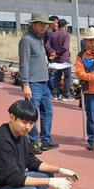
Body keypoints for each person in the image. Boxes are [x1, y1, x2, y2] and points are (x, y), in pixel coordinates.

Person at [19, 11, 58, 155]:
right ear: (33, 24)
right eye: (41, 24)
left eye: (45, 24)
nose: (43, 27)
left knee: (48, 112)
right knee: (32, 114)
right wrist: (25, 84)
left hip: (44, 81)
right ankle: (33, 142)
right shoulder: (27, 40)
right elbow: (24, 63)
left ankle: (46, 140)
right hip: (33, 83)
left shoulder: (40, 38)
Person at [46, 18, 73, 101]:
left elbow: (47, 45)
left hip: (56, 60)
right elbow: (65, 47)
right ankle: (66, 95)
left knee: (57, 77)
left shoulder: (53, 35)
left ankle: (55, 93)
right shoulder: (66, 35)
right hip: (65, 59)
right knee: (67, 77)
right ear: (65, 26)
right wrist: (57, 53)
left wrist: (53, 53)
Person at [44, 15, 58, 96]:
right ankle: (52, 91)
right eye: (56, 23)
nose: (57, 24)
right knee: (52, 73)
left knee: (53, 73)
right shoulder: (49, 32)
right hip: (51, 55)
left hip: (52, 54)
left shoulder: (51, 31)